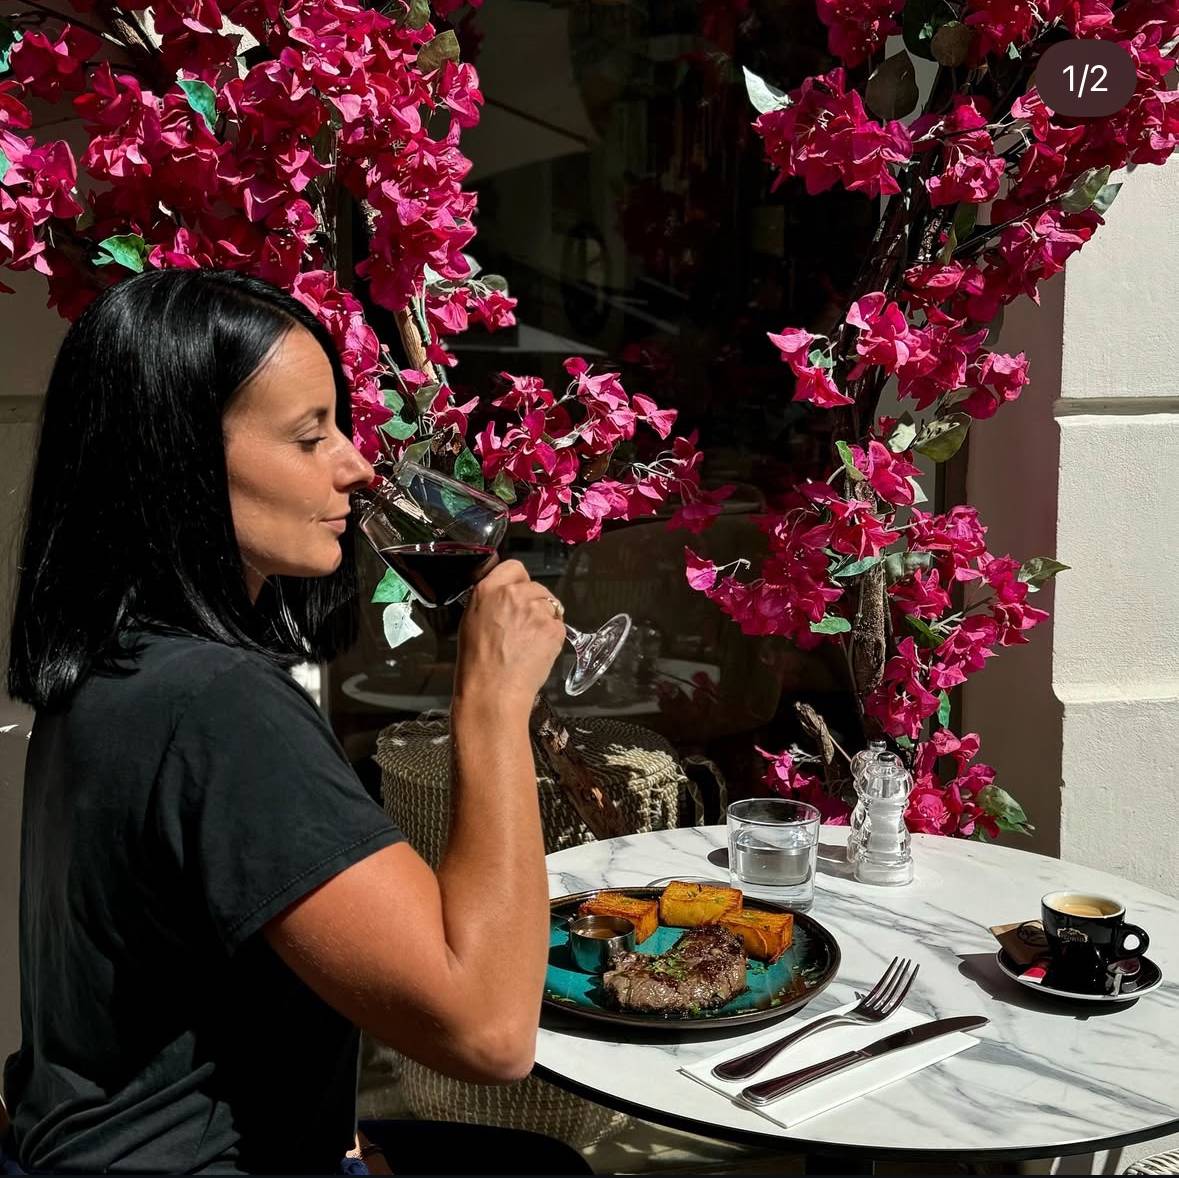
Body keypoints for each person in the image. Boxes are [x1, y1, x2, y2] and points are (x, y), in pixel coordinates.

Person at [1, 268, 587, 1174]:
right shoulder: (219, 707)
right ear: (180, 460)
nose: (355, 464)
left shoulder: (112, 670)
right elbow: (490, 1032)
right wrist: (492, 706)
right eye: (310, 436)